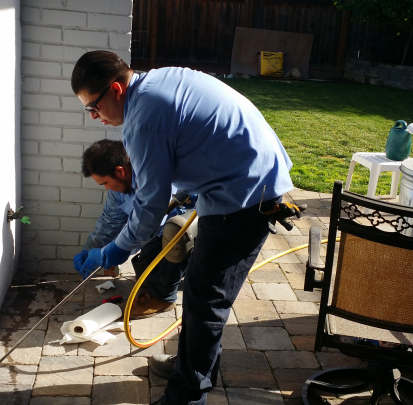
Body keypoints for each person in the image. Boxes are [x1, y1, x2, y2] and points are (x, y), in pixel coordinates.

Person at [71, 51, 293, 405]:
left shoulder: (142, 121)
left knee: (206, 301)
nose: (95, 117)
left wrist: (116, 250)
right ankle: (190, 367)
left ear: (115, 89)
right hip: (252, 176)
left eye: (93, 107)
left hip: (245, 197)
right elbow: (197, 131)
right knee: (200, 294)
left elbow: (150, 205)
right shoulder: (158, 80)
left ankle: (187, 396)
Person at [74, 139, 193, 319]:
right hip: (165, 232)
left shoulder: (152, 174)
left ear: (120, 171)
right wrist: (90, 249)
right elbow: (109, 223)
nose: (106, 188)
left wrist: (111, 251)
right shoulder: (118, 192)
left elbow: (148, 223)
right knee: (146, 263)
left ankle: (165, 298)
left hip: (203, 225)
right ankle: (167, 282)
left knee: (174, 234)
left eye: (105, 182)